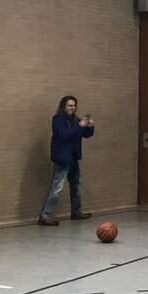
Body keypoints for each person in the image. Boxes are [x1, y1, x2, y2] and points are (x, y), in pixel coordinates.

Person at [38, 96, 95, 226]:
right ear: (64, 106)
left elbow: (86, 134)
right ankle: (45, 215)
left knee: (76, 186)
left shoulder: (75, 120)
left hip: (74, 157)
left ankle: (76, 212)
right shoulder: (58, 120)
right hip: (63, 158)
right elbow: (64, 135)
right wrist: (79, 127)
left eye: (74, 105)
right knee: (57, 187)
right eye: (70, 105)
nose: (72, 108)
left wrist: (90, 126)